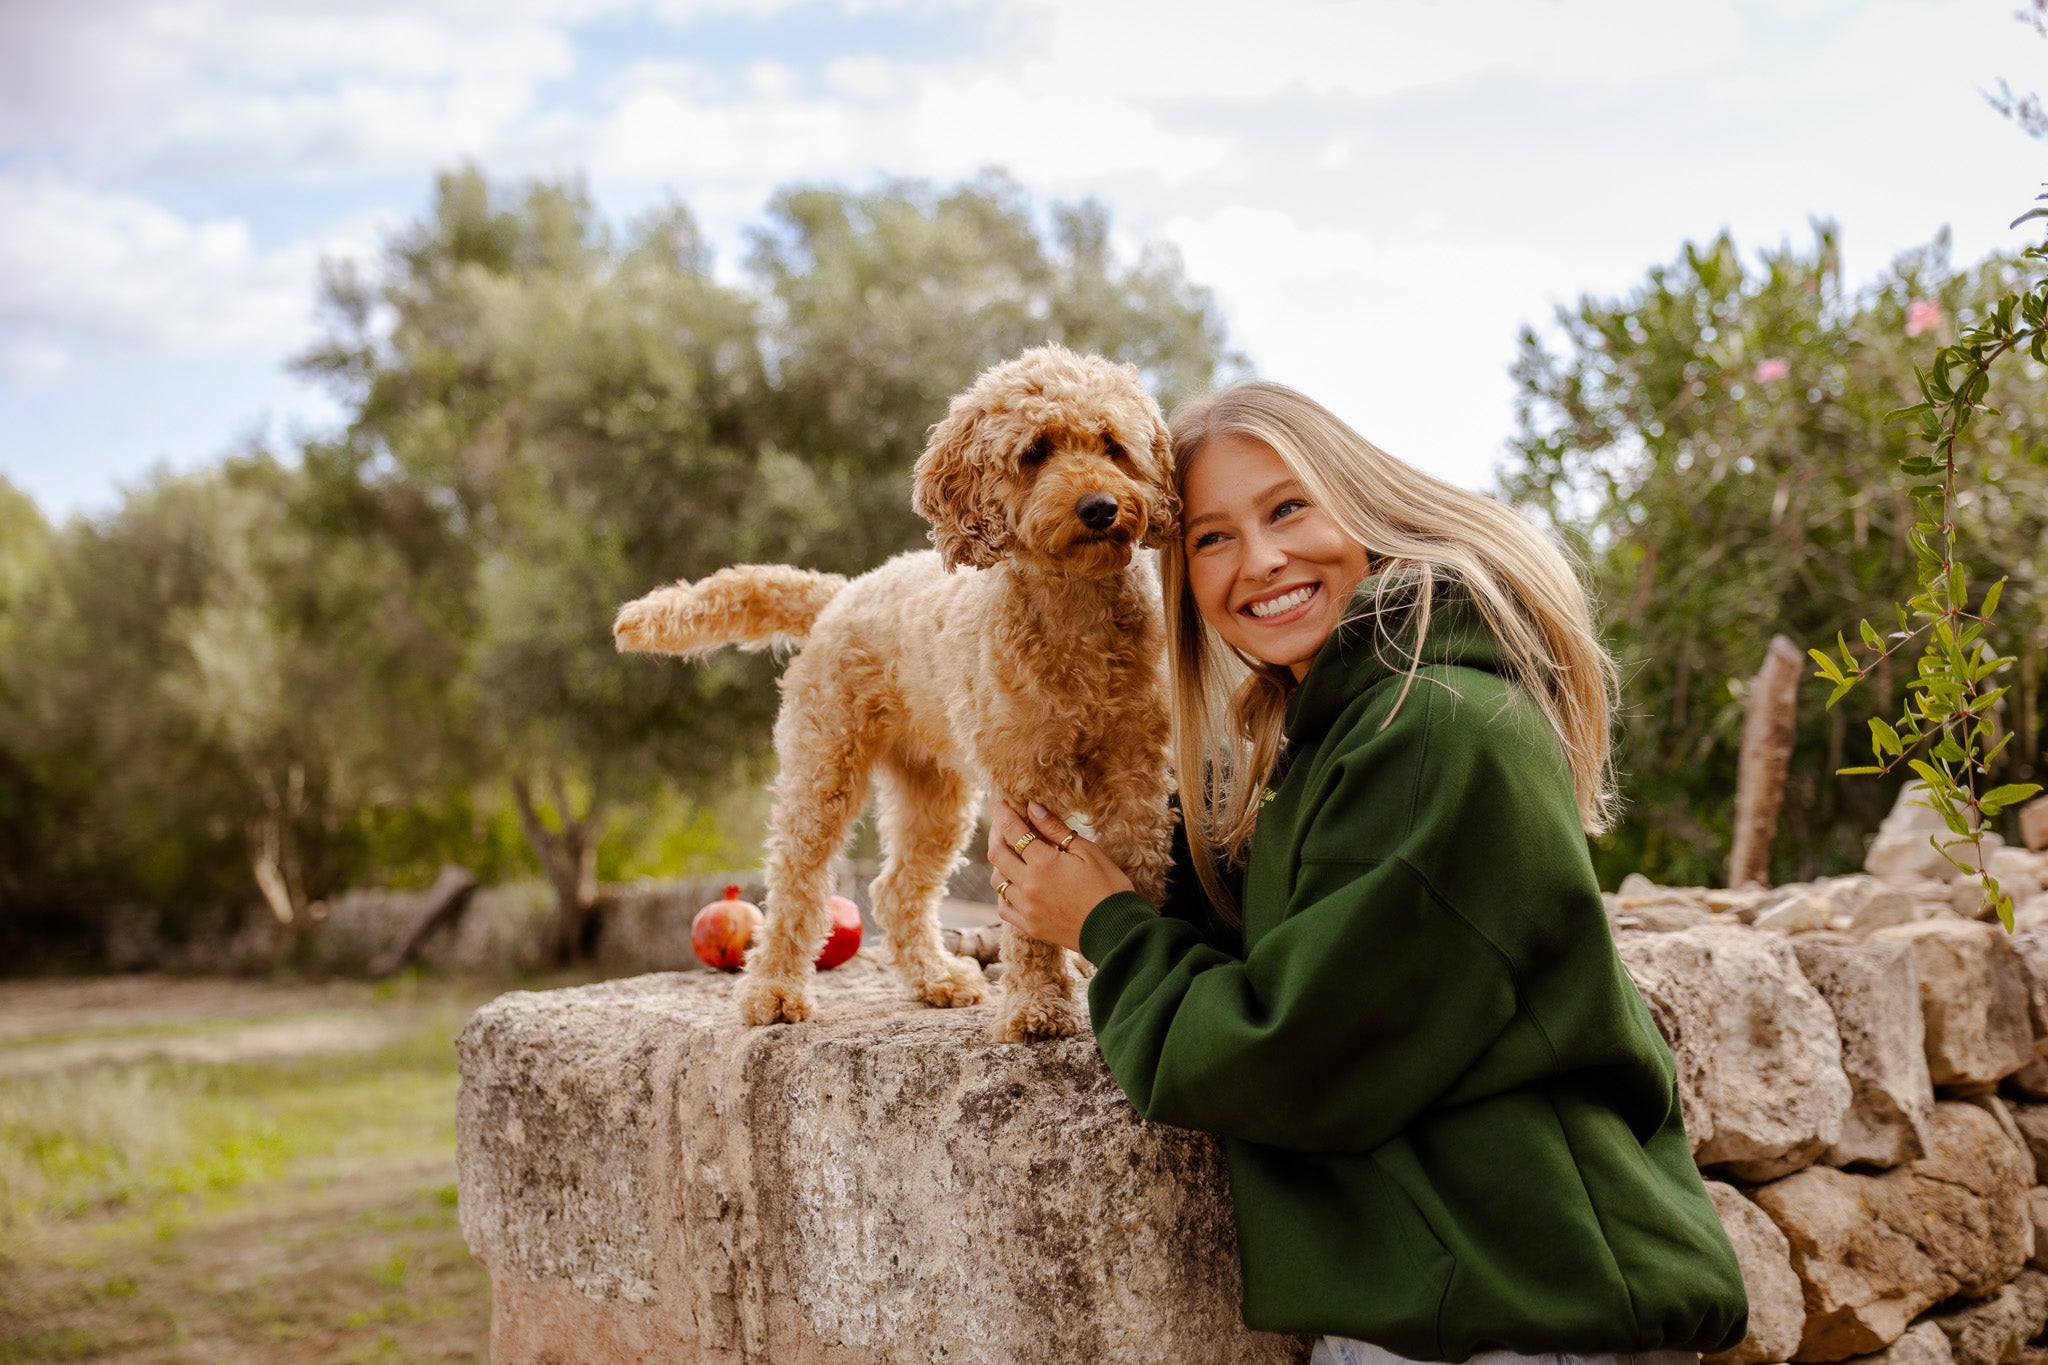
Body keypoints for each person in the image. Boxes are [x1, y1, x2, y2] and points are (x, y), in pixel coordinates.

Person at [983, 380, 1749, 1365]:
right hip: (1466, 1292)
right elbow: (1324, 940)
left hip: (1513, 1314)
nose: (1258, 560)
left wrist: (1106, 925)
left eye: (1287, 508)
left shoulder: (1432, 726)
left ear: (1366, 504)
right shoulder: (1350, 725)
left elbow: (1295, 1050)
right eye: (1210, 538)